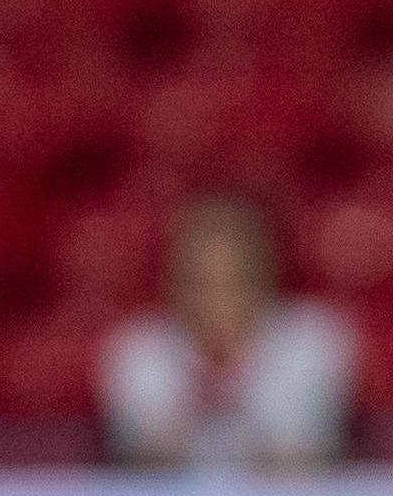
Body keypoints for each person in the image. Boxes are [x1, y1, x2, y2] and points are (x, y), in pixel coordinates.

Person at [100, 193, 356, 470]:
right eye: (202, 281)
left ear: (265, 276)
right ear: (174, 281)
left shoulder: (312, 339)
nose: (218, 298)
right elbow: (142, 457)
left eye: (235, 280)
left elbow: (310, 454)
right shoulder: (139, 348)